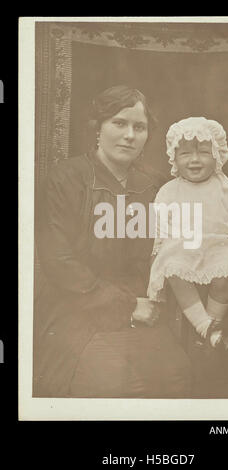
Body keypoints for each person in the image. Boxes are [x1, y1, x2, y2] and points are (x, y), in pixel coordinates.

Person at [33, 85, 191, 398]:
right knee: (115, 384)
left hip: (146, 309)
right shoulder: (65, 179)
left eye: (139, 127)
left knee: (178, 375)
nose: (130, 135)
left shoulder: (156, 186)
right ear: (97, 128)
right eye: (119, 123)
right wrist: (128, 306)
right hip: (76, 308)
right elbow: (58, 261)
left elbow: (181, 243)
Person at [147, 117, 228, 349]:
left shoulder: (226, 190)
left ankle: (212, 326)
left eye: (203, 152)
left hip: (217, 250)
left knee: (226, 273)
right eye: (184, 154)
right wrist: (153, 277)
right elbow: (160, 236)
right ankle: (205, 327)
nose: (194, 159)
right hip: (182, 250)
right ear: (174, 158)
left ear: (217, 155)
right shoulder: (168, 192)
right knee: (172, 265)